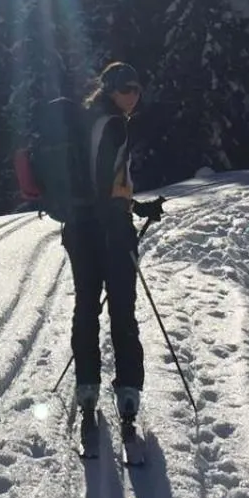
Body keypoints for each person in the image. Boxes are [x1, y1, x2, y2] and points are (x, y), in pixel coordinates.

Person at [66, 61, 164, 435]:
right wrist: (123, 216)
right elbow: (105, 183)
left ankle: (87, 386)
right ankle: (127, 391)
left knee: (86, 306)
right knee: (122, 310)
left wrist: (138, 206)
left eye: (137, 88)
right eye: (128, 88)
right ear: (111, 89)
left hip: (78, 229)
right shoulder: (113, 124)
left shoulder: (85, 120)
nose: (134, 95)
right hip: (109, 230)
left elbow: (98, 183)